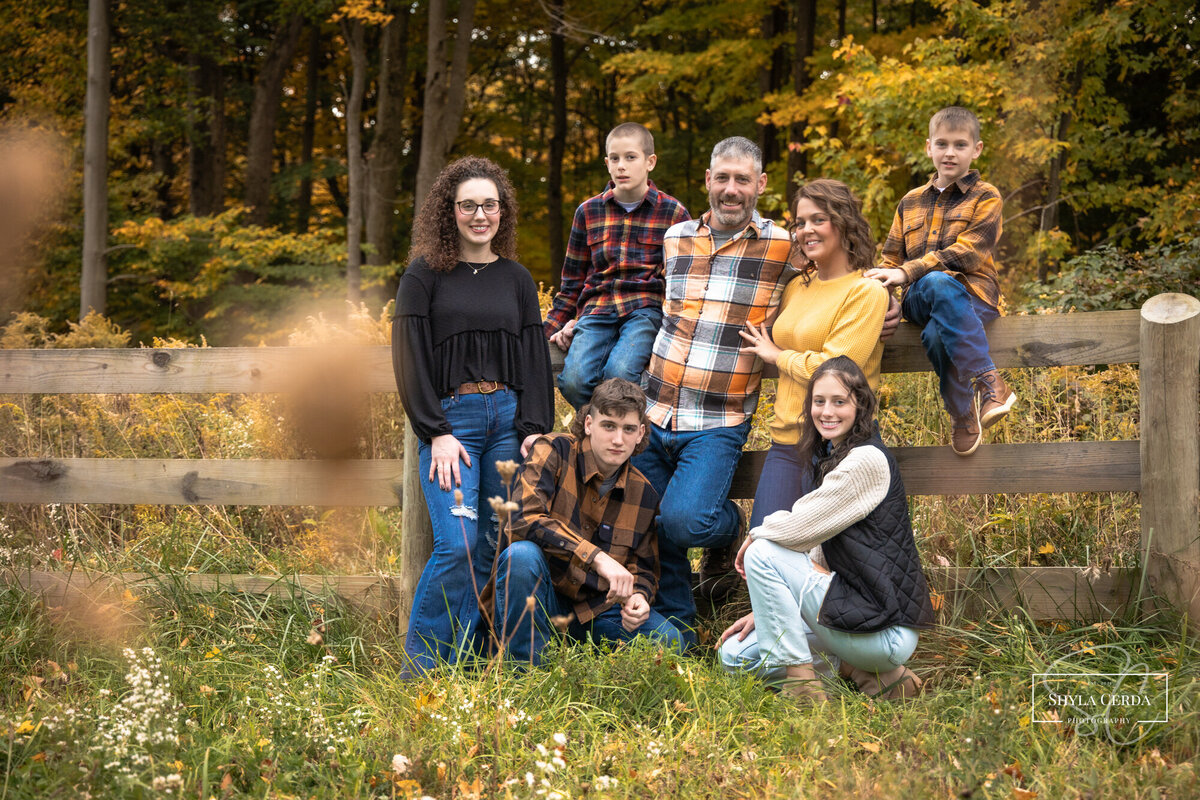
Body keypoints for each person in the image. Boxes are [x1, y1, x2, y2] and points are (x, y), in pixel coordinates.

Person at [631, 136, 801, 643]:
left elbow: (838, 274)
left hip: (719, 418)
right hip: (654, 408)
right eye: (722, 178)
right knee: (649, 520)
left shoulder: (783, 245)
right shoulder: (676, 237)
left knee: (684, 522)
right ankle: (680, 628)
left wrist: (887, 302)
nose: (731, 189)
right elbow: (636, 293)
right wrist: (574, 318)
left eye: (742, 179)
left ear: (760, 184)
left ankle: (731, 526)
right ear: (707, 180)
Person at [391, 156, 554, 673]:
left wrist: (534, 429)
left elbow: (534, 358)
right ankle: (420, 672)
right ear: (450, 212)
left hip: (507, 422)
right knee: (457, 544)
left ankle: (468, 664)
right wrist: (435, 431)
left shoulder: (517, 278)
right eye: (468, 206)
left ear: (502, 211)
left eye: (489, 205)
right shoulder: (424, 275)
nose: (480, 215)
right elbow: (408, 357)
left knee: (490, 546)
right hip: (453, 423)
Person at [717, 356, 935, 701]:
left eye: (839, 401)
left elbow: (798, 528)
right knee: (734, 656)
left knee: (762, 551)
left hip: (884, 630)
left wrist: (755, 535)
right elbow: (817, 552)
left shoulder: (866, 460)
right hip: (849, 613)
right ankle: (867, 673)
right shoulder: (835, 457)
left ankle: (802, 688)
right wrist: (769, 611)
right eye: (819, 401)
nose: (827, 411)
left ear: (860, 405)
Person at [487, 378, 684, 665]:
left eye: (628, 429)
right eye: (609, 426)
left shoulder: (644, 493)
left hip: (597, 610)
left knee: (669, 641)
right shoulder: (554, 450)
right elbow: (522, 519)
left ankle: (583, 663)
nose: (618, 440)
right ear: (589, 424)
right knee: (521, 556)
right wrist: (596, 557)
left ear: (641, 433)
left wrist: (640, 596)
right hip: (541, 598)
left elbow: (643, 567)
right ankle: (525, 673)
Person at [865, 106, 1016, 457]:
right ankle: (990, 381)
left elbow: (970, 253)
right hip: (920, 298)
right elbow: (890, 260)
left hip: (974, 296)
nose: (950, 153)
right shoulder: (909, 202)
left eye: (960, 145)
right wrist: (885, 297)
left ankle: (962, 413)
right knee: (934, 282)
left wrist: (909, 271)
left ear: (976, 149)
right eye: (942, 144)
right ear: (928, 147)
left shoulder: (987, 196)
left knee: (935, 334)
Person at [740, 179, 889, 531]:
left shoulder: (866, 292)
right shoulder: (796, 287)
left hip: (839, 444)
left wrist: (777, 356)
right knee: (762, 545)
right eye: (800, 222)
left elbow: (835, 371)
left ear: (843, 223)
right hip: (787, 441)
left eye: (818, 219)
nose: (806, 229)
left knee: (826, 557)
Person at [544, 122, 690, 409]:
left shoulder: (674, 213)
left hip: (644, 309)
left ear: (650, 162)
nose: (621, 165)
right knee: (573, 380)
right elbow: (572, 282)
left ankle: (614, 429)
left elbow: (681, 283)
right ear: (607, 163)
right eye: (614, 158)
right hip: (597, 309)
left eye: (630, 157)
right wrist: (545, 332)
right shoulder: (587, 212)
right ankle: (603, 427)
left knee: (619, 373)